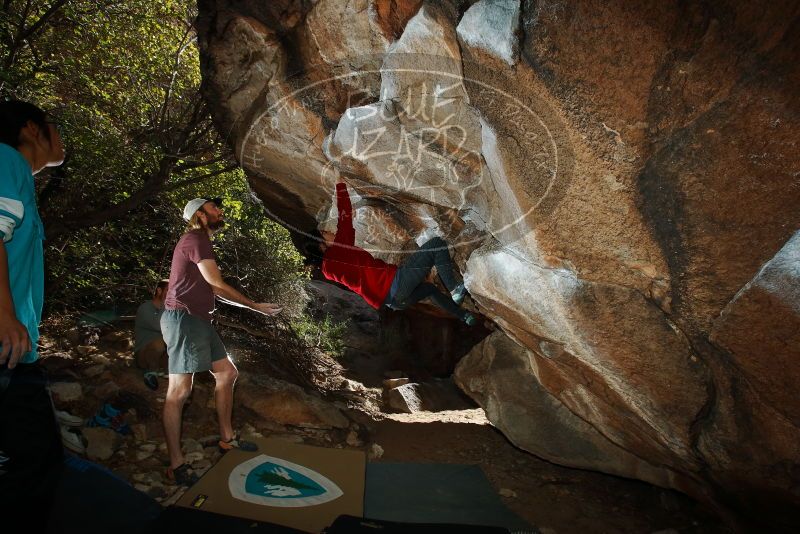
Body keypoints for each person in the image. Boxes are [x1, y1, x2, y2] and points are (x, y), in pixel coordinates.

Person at [161, 197, 282, 485]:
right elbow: (216, 283)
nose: (220, 211)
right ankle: (176, 465)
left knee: (227, 373)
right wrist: (255, 305)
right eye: (214, 208)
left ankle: (227, 439)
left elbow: (214, 291)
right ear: (200, 215)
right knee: (179, 391)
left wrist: (254, 306)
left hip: (199, 320)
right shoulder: (195, 238)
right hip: (183, 319)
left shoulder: (200, 242)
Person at [0, 100, 66, 528]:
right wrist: (5, 315)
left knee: (32, 458)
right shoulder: (5, 159)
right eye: (53, 127)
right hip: (5, 345)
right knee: (37, 460)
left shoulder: (16, 173)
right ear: (30, 129)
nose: (62, 139)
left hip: (16, 350)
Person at [310, 179, 475, 325]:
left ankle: (464, 317)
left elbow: (347, 230)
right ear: (322, 244)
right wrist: (340, 186)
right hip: (394, 285)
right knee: (436, 245)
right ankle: (454, 289)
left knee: (430, 290)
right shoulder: (335, 257)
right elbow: (344, 223)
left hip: (393, 302)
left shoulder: (332, 266)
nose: (330, 232)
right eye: (325, 233)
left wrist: (349, 215)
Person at [134, 279, 169, 390]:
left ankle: (166, 371)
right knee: (160, 342)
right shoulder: (145, 308)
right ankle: (150, 373)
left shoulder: (170, 310)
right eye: (169, 291)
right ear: (159, 290)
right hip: (143, 355)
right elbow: (159, 326)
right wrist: (166, 304)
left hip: (161, 356)